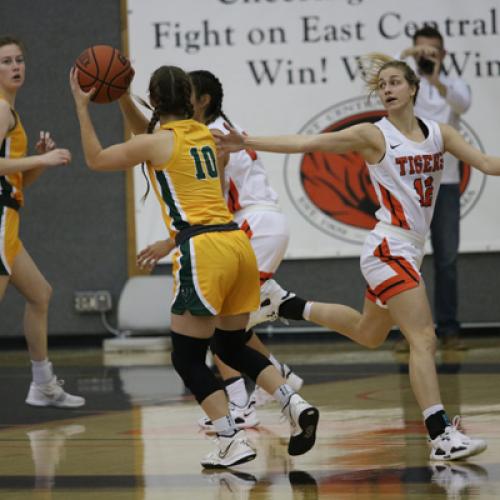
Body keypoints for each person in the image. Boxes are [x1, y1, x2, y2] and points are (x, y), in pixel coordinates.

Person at [215, 54, 499, 461]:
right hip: (388, 247)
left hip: (409, 250)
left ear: (413, 88)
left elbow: (487, 163)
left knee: (370, 333)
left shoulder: (439, 133)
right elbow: (309, 143)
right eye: (382, 84)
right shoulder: (373, 135)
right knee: (423, 338)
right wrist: (247, 142)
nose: (387, 89)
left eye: (395, 82)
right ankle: (440, 435)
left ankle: (285, 303)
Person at [70, 64, 319, 468]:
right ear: (190, 99)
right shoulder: (204, 132)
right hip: (237, 243)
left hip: (203, 251)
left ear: (153, 101)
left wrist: (82, 107)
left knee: (186, 357)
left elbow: (97, 158)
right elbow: (146, 133)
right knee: (231, 344)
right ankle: (294, 403)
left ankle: (229, 439)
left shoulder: (157, 142)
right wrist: (120, 95)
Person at [139, 69, 304, 430]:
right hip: (256, 227)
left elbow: (206, 207)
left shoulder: (208, 137)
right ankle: (276, 376)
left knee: (213, 328)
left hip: (246, 227)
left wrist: (170, 241)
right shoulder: (215, 131)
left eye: (188, 95)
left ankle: (242, 402)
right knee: (229, 332)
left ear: (202, 101)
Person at [0, 36, 84, 409]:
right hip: (0, 217)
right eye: (5, 61)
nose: (15, 66)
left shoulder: (12, 113)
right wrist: (40, 162)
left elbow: (17, 181)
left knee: (40, 294)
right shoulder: (1, 110)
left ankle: (42, 384)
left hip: (10, 215)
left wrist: (39, 161)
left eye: (19, 59)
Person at [398, 26, 471, 351]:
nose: (427, 57)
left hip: (447, 184)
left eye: (433, 51)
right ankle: (409, 333)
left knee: (447, 260)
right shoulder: (406, 86)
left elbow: (462, 104)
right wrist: (407, 63)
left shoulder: (452, 85)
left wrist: (437, 76)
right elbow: (392, 102)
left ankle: (450, 328)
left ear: (442, 54)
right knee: (406, 260)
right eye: (421, 51)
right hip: (410, 185)